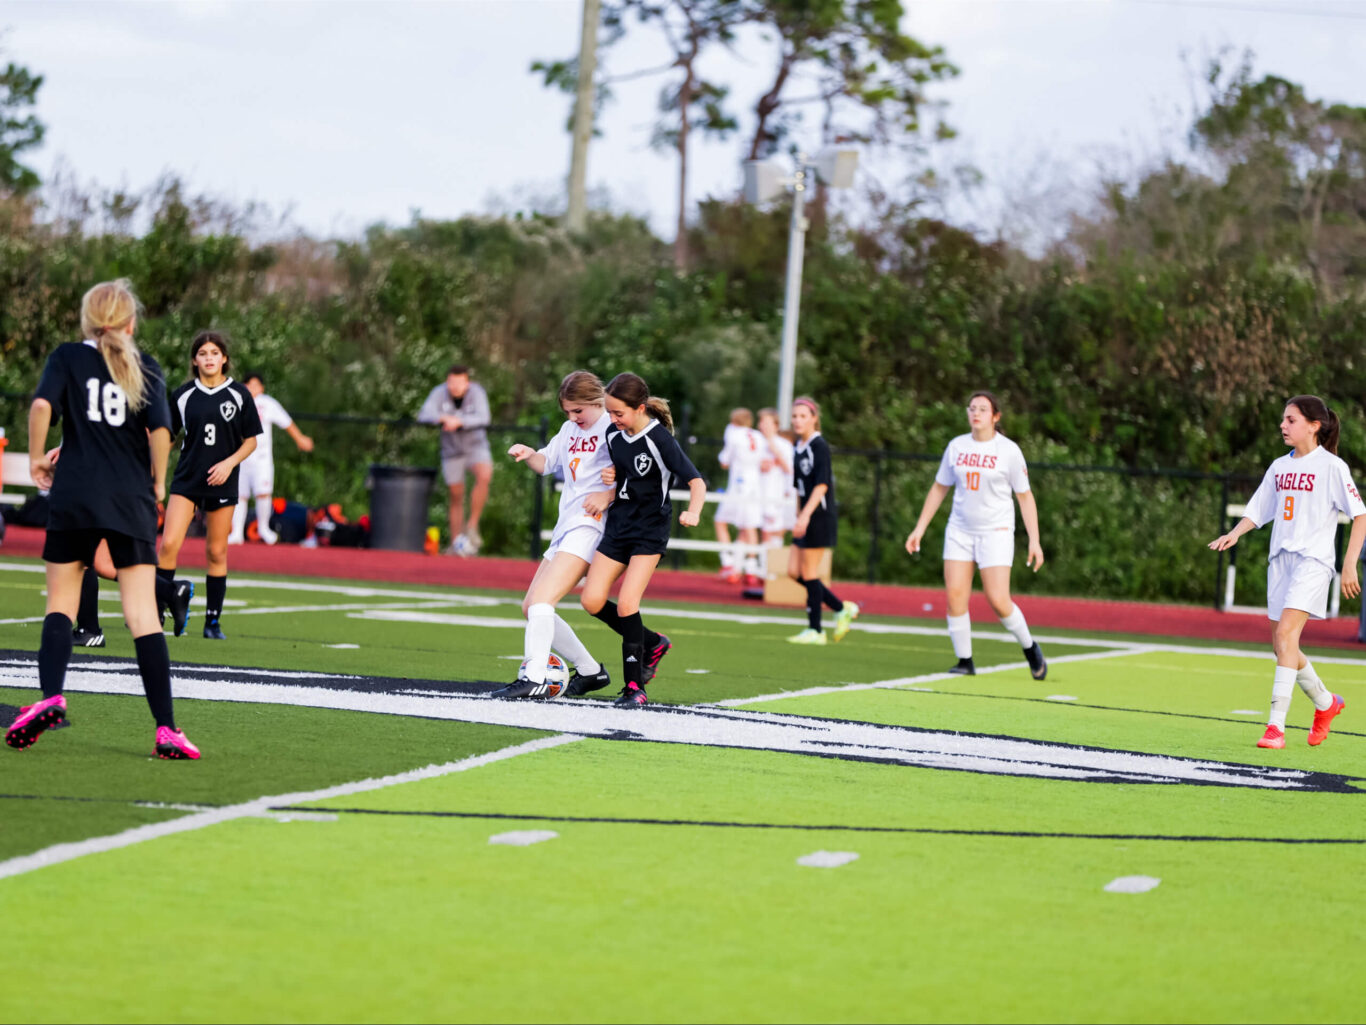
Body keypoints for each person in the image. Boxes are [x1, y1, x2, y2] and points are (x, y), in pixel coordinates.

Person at [5, 279, 200, 758]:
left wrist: (35, 460)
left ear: (87, 321)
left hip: (73, 496)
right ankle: (166, 729)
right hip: (129, 501)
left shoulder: (68, 357)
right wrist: (157, 484)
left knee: (61, 605)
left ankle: (50, 695)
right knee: (142, 616)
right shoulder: (145, 367)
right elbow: (160, 430)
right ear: (131, 324)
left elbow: (40, 406)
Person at [1209, 395, 1366, 749]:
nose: (1283, 425)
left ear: (1314, 425)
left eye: (1291, 420)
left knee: (1286, 639)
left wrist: (1349, 564)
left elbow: (1360, 515)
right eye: (1283, 419)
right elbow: (1259, 508)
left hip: (1313, 562)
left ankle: (1275, 727)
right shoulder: (1279, 467)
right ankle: (1327, 704)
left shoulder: (1332, 467)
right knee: (1283, 646)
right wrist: (1234, 533)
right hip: (1280, 562)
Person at [580, 372, 707, 707]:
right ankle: (653, 642)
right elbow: (624, 476)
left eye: (618, 413)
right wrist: (610, 486)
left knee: (626, 604)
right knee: (591, 601)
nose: (612, 419)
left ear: (639, 408)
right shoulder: (613, 433)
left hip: (649, 532)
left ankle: (635, 687)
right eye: (609, 412)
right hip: (618, 528)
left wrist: (693, 511)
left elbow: (697, 482)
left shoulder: (660, 439)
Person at [905, 391, 1046, 678]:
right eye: (972, 408)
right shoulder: (957, 446)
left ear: (995, 416)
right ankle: (965, 662)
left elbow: (1025, 497)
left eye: (983, 409)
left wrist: (1034, 540)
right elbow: (939, 488)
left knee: (998, 600)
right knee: (955, 595)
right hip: (960, 530)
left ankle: (1030, 648)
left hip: (996, 531)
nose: (976, 413)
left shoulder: (1008, 450)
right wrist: (919, 528)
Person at [493, 371, 616, 700]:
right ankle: (591, 671)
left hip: (591, 526)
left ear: (598, 402)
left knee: (543, 602)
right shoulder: (568, 430)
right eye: (567, 412)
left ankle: (533, 677)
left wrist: (610, 492)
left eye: (578, 411)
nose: (573, 418)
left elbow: (639, 474)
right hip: (567, 525)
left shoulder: (612, 428)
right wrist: (529, 454)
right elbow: (547, 463)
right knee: (531, 605)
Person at [158, 331, 262, 640]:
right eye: (202, 353)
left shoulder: (240, 394)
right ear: (194, 360)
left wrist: (229, 463)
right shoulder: (182, 395)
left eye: (214, 353)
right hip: (187, 480)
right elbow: (166, 436)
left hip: (223, 483)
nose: (209, 358)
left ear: (224, 358)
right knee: (167, 545)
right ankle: (157, 611)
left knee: (216, 552)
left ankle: (212, 622)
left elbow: (251, 442)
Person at [786, 397, 859, 645]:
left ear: (814, 418)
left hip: (819, 516)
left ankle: (816, 630)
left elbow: (821, 485)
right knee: (794, 572)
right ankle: (841, 607)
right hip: (805, 516)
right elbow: (798, 487)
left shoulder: (819, 445)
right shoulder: (797, 446)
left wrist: (806, 515)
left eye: (803, 416)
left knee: (809, 572)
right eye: (795, 416)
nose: (797, 420)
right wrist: (798, 515)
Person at [228, 372, 314, 545]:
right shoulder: (235, 401)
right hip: (240, 456)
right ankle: (236, 531)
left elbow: (286, 422)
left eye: (255, 385)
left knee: (263, 493)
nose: (251, 388)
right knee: (239, 495)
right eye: (248, 384)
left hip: (261, 459)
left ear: (262, 387)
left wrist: (300, 438)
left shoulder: (268, 403)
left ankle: (263, 528)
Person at [417, 364, 492, 556]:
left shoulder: (477, 393)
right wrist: (443, 418)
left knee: (484, 475)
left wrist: (461, 421)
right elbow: (424, 414)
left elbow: (484, 417)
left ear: (467, 382)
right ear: (447, 381)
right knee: (456, 495)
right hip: (452, 451)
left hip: (476, 446)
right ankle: (455, 543)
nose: (456, 387)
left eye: (460, 383)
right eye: (452, 382)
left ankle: (472, 525)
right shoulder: (438, 393)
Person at [714, 408, 766, 587]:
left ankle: (728, 562)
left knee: (720, 521)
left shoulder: (734, 434)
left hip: (738, 484)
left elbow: (724, 461)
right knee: (750, 528)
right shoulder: (758, 436)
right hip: (755, 485)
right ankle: (750, 569)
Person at [757, 407, 795, 545]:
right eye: (761, 422)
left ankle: (769, 564)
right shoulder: (755, 441)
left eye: (766, 422)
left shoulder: (783, 445)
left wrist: (776, 452)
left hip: (774, 494)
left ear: (775, 425)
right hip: (755, 492)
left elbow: (790, 470)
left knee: (773, 530)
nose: (762, 425)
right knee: (749, 529)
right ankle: (745, 564)